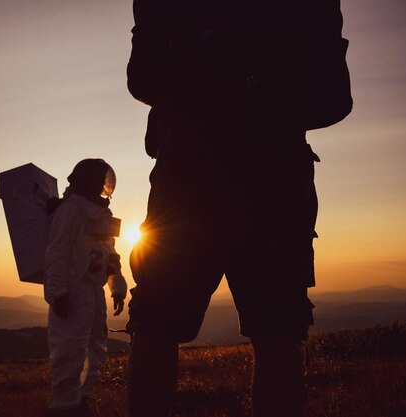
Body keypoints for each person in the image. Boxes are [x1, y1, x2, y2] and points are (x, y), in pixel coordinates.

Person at [125, 2, 322, 417]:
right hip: (277, 180)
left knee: (156, 325)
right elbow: (331, 98)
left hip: (188, 179)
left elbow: (142, 77)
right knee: (279, 330)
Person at [44, 159, 128, 417]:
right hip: (73, 291)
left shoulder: (99, 215)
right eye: (101, 179)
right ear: (90, 180)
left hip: (94, 291)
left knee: (97, 348)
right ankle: (63, 408)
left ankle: (81, 400)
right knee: (69, 351)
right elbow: (56, 252)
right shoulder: (70, 211)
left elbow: (110, 256)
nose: (104, 185)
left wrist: (117, 288)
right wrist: (58, 293)